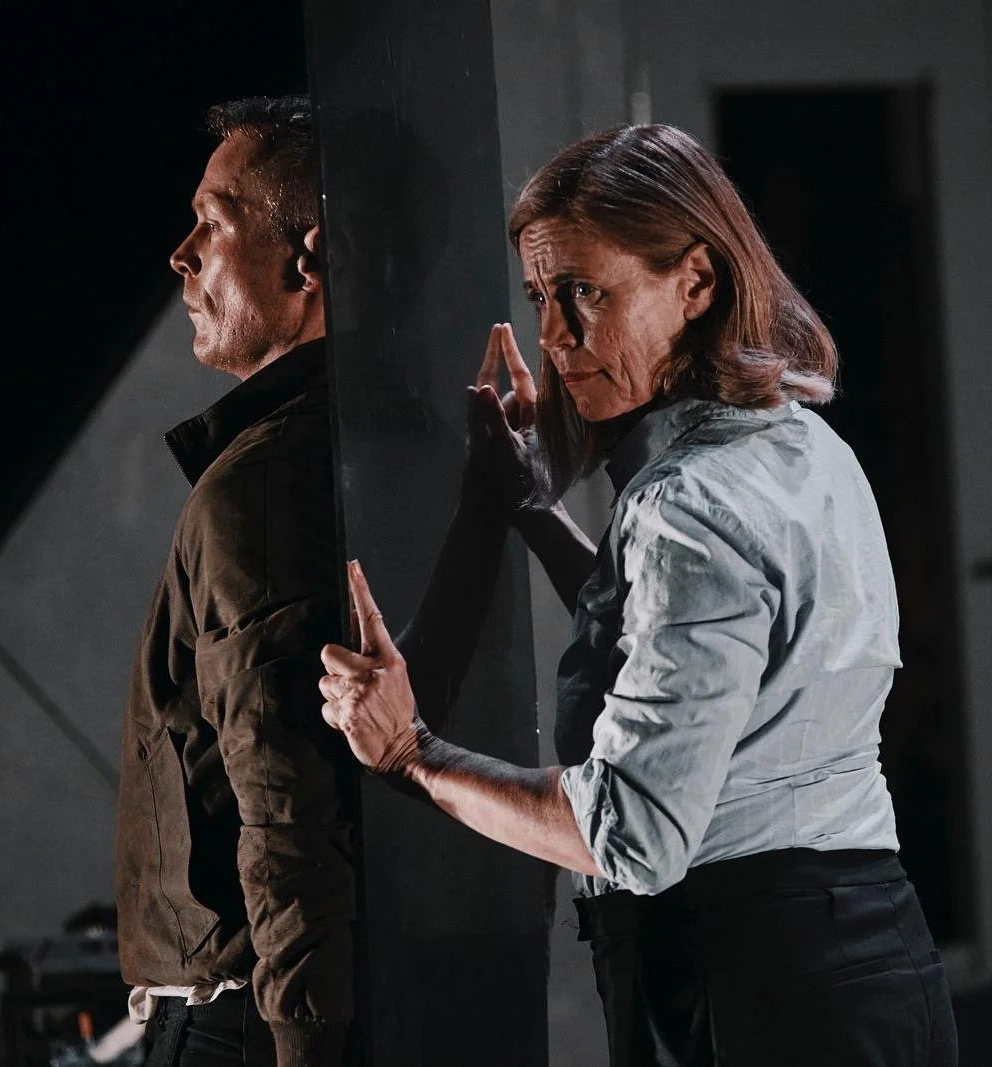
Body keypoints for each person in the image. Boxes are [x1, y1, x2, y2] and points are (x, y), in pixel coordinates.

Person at [319, 124, 958, 1065]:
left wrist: (410, 753)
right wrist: (532, 506)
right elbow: (690, 644)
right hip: (868, 957)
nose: (553, 336)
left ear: (696, 282)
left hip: (750, 982)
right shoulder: (805, 445)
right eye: (540, 297)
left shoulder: (686, 505)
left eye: (586, 292)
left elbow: (632, 834)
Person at [113, 96, 355, 1067]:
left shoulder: (259, 483)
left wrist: (304, 1045)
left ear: (306, 259)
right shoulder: (343, 445)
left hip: (239, 1023)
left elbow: (286, 800)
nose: (182, 256)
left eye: (211, 225)